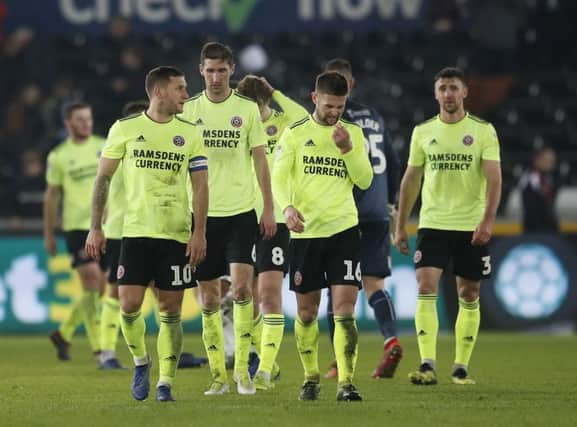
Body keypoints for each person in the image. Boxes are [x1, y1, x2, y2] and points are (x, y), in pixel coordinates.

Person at [85, 66, 209, 402]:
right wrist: (95, 227)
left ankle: (165, 382)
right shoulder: (125, 129)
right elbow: (103, 180)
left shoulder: (190, 133)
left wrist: (199, 232)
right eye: (180, 88)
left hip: (175, 233)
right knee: (128, 305)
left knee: (170, 309)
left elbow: (200, 186)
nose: (186, 94)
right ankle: (142, 361)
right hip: (136, 232)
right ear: (159, 92)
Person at [394, 67, 501, 386]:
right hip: (433, 223)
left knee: (469, 293)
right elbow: (411, 180)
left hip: (471, 224)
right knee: (426, 286)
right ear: (435, 93)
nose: (448, 94)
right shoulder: (423, 131)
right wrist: (401, 225)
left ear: (465, 92)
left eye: (454, 87)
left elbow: (494, 179)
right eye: (443, 88)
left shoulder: (483, 130)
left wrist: (487, 220)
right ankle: (427, 364)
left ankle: (461, 367)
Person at [181, 42, 276, 396]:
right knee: (207, 300)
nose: (216, 77)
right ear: (200, 71)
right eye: (210, 70)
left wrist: (268, 207)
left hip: (240, 213)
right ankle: (218, 376)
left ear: (232, 70)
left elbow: (261, 162)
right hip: (202, 216)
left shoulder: (247, 110)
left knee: (239, 290)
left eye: (222, 70)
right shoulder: (189, 111)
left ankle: (242, 373)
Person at [273, 71, 373, 401]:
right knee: (306, 312)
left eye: (340, 106)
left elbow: (365, 180)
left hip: (343, 228)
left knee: (344, 308)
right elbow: (278, 178)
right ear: (314, 98)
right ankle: (311, 377)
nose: (335, 113)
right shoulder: (295, 134)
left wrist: (348, 150)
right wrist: (287, 208)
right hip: (306, 234)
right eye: (329, 105)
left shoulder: (353, 134)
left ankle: (346, 382)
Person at [323, 58, 403, 379]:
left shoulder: (333, 119)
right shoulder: (375, 116)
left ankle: (339, 361)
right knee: (374, 285)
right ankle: (391, 338)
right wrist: (391, 203)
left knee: (335, 287)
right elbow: (395, 165)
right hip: (377, 213)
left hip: (345, 212)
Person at [236, 75, 308, 389]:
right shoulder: (237, 127)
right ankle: (264, 354)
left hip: (276, 220)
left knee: (269, 295)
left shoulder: (285, 125)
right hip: (241, 217)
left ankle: (264, 371)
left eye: (257, 106)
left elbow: (305, 116)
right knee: (242, 296)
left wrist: (275, 91)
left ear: (264, 103)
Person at [44, 101, 106, 363]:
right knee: (92, 281)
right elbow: (51, 196)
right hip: (76, 228)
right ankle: (100, 349)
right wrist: (48, 233)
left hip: (104, 226)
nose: (85, 124)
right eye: (80, 120)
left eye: (88, 119)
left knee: (99, 288)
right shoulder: (58, 156)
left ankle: (64, 331)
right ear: (68, 123)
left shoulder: (103, 146)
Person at [98, 100, 150, 370]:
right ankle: (106, 351)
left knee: (164, 291)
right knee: (115, 291)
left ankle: (171, 353)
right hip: (121, 230)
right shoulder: (121, 149)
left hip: (150, 227)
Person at [520, 146, 559, 233]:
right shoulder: (528, 178)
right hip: (534, 229)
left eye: (551, 161)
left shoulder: (551, 178)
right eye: (546, 160)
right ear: (536, 160)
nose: (549, 164)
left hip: (550, 228)